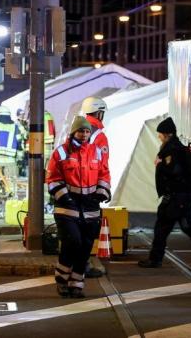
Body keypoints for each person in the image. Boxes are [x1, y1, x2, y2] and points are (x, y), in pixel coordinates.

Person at [138, 117, 191, 268]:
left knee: (162, 227)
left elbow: (174, 171)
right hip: (185, 197)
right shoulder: (176, 148)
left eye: (161, 134)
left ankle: (155, 259)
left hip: (176, 198)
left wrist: (160, 163)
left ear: (167, 135)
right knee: (188, 227)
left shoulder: (172, 150)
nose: (159, 137)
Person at [46, 116, 111, 298]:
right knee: (72, 242)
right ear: (73, 131)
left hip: (90, 206)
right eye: (80, 131)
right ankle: (61, 280)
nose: (84, 134)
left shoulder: (97, 152)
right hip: (67, 206)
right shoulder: (60, 153)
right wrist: (65, 197)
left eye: (87, 131)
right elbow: (52, 179)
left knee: (85, 246)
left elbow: (105, 175)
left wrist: (101, 192)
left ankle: (76, 284)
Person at [80, 96, 110, 278]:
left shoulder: (77, 131)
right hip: (91, 189)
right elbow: (103, 166)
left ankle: (77, 264)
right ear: (99, 113)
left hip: (75, 188)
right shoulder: (99, 136)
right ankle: (83, 265)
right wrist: (104, 188)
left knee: (76, 228)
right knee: (89, 228)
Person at [0, 106, 20, 194]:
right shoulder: (15, 127)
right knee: (11, 179)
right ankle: (12, 200)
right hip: (10, 159)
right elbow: (19, 141)